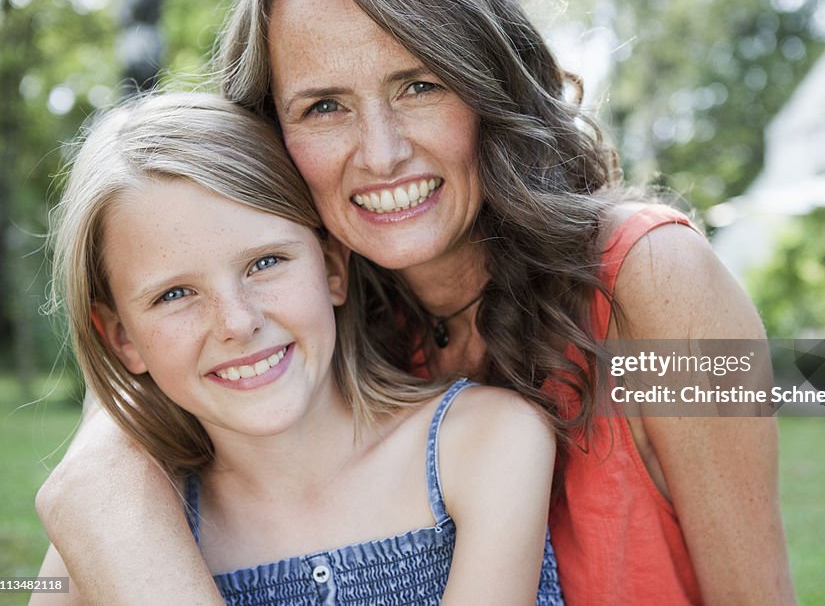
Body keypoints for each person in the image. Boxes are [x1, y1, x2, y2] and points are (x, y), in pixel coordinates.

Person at [36, 0, 798, 604]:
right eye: (324, 106)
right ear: (271, 141)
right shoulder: (319, 322)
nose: (381, 151)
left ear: (491, 85)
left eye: (421, 84)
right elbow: (97, 479)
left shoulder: (652, 278)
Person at [33, 92, 563, 605]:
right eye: (175, 295)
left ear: (332, 267)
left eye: (265, 263)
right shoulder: (114, 530)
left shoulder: (484, 445)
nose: (237, 323)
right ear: (123, 338)